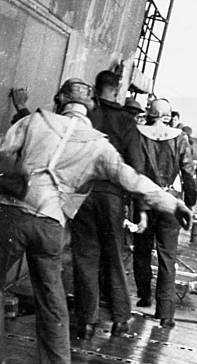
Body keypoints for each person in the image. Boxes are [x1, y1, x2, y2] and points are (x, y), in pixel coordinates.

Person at [0, 78, 192, 364]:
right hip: (50, 223)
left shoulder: (34, 120)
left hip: (12, 215)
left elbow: (3, 154)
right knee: (52, 299)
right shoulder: (98, 144)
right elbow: (131, 178)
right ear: (88, 107)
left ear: (59, 100)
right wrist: (171, 202)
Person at [71, 70, 145, 340]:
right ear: (117, 90)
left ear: (95, 88)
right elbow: (137, 166)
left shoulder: (88, 116)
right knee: (114, 254)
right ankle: (121, 319)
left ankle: (87, 321)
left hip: (83, 193)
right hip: (113, 197)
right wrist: (139, 207)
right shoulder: (127, 121)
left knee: (85, 256)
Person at [133, 98, 197, 328]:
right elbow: (189, 174)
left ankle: (144, 295)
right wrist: (188, 203)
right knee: (167, 257)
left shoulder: (139, 134)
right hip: (171, 201)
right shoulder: (180, 137)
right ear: (169, 116)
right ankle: (165, 313)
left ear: (149, 113)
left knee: (141, 250)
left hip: (146, 199)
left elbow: (136, 172)